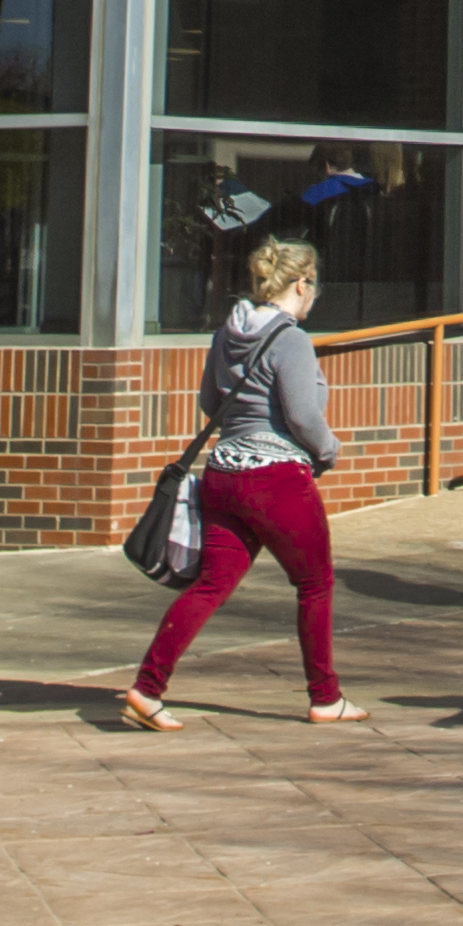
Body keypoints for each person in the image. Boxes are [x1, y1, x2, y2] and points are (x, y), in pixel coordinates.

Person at [119, 236, 364, 729]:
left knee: (210, 585)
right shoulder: (291, 339)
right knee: (314, 584)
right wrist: (329, 450)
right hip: (276, 479)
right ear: (301, 283)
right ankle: (325, 697)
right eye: (314, 288)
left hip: (223, 475)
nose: (314, 299)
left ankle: (147, 689)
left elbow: (211, 402)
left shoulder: (227, 332)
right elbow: (300, 414)